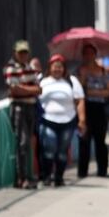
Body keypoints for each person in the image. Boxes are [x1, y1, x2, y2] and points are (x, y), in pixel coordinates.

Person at [37, 54, 86, 187]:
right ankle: (46, 176)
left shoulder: (71, 81)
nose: (57, 69)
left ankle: (59, 177)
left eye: (60, 67)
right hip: (48, 120)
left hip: (67, 122)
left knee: (62, 152)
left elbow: (79, 100)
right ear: (50, 68)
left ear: (64, 69)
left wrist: (82, 120)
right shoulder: (42, 81)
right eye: (55, 67)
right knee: (49, 149)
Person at [4, 40, 42, 189]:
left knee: (28, 142)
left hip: (31, 107)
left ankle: (28, 175)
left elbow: (39, 89)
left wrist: (24, 88)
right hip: (19, 107)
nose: (23, 55)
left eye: (25, 52)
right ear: (15, 53)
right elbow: (14, 90)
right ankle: (22, 177)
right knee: (23, 142)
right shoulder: (11, 68)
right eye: (20, 53)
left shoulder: (29, 67)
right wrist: (30, 89)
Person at [77, 43, 109, 178]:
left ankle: (102, 170)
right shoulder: (81, 70)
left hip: (100, 109)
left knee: (100, 141)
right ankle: (82, 171)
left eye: (90, 53)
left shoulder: (102, 71)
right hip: (86, 108)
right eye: (85, 53)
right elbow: (79, 91)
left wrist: (93, 92)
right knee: (84, 140)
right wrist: (84, 77)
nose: (88, 56)